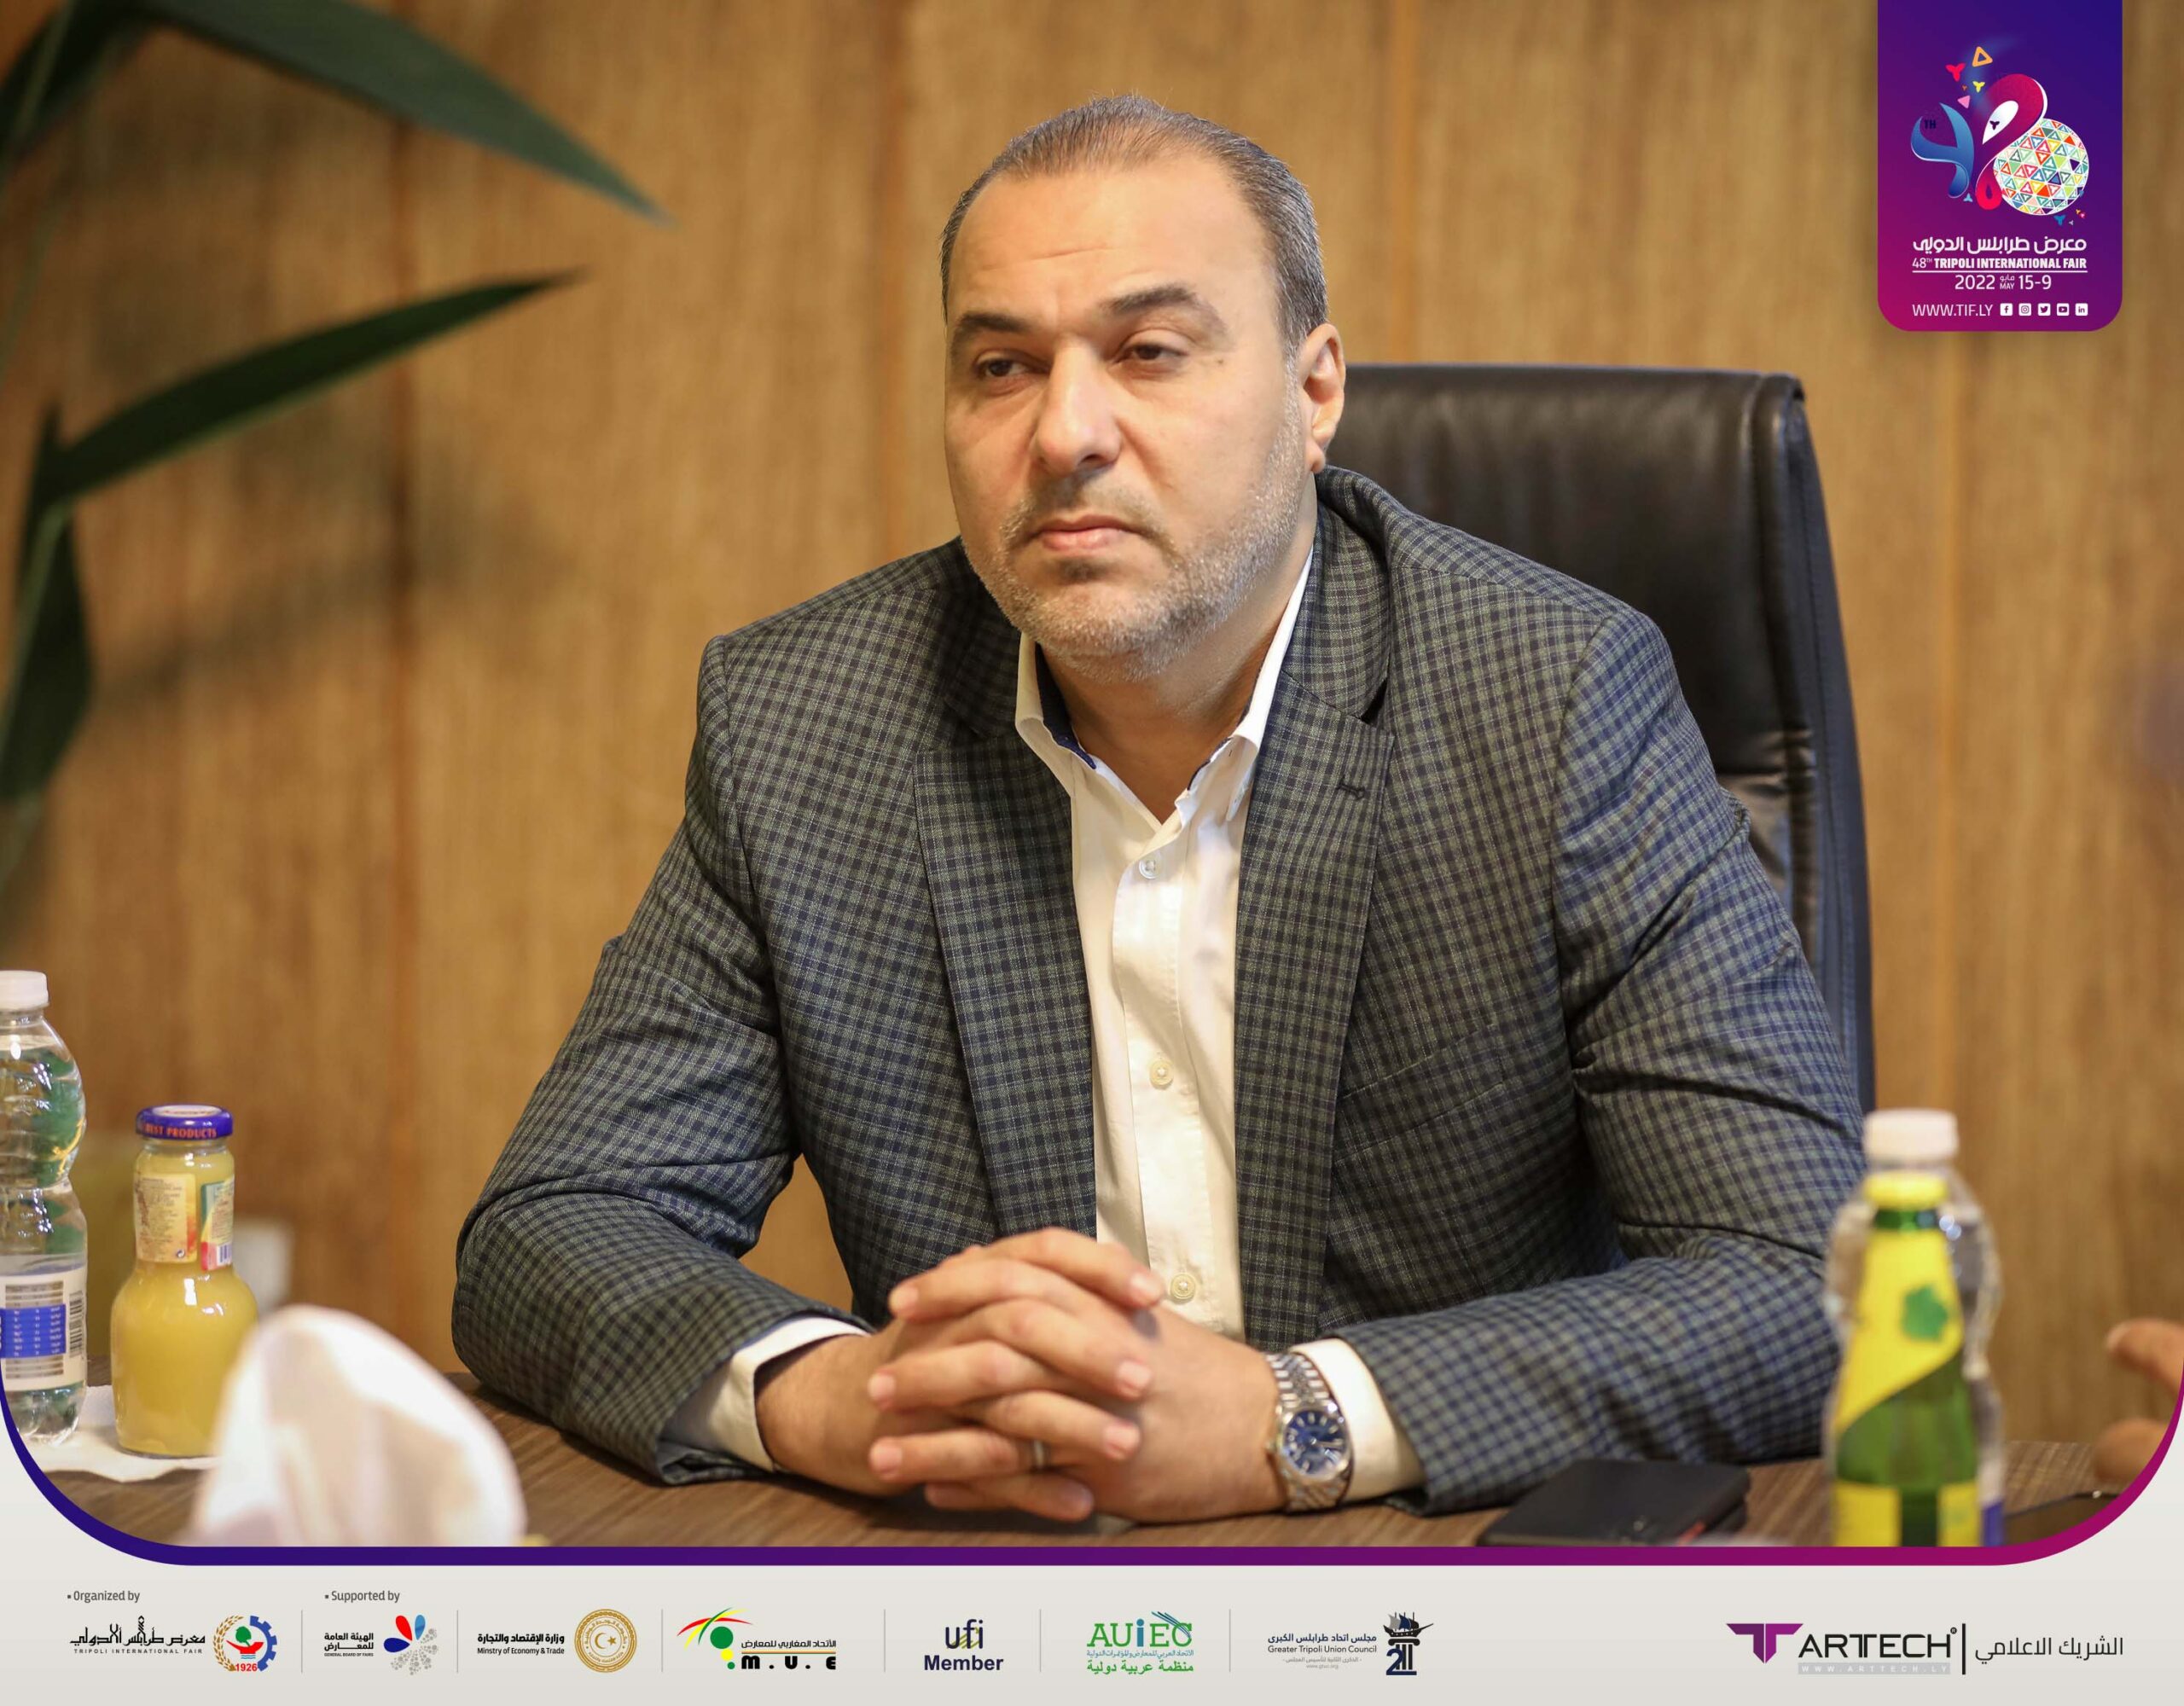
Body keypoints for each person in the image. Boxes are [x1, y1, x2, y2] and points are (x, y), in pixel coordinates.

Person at [452, 95, 1865, 1523]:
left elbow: (1806, 1280)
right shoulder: (809, 727)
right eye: (1001, 367)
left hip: (1424, 1573)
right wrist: (842, 1398)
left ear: (1315, 393)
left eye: (1149, 353)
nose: (1066, 433)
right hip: (1007, 1573)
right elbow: (555, 1230)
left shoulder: (1549, 696)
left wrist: (1288, 1418)